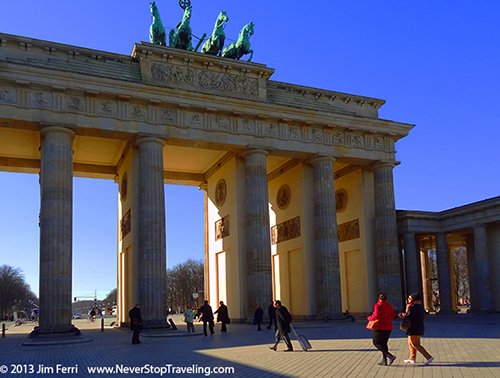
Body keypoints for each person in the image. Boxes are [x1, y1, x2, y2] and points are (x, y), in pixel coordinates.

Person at [398, 293, 434, 365]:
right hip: (417, 327)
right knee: (410, 342)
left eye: (410, 298)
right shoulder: (419, 307)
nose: (408, 300)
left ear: (414, 300)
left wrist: (405, 312)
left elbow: (410, 317)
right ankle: (412, 358)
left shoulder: (413, 307)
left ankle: (429, 357)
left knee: (415, 344)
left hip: (414, 328)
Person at [367, 293, 396, 366]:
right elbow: (393, 316)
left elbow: (376, 316)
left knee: (376, 342)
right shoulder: (389, 305)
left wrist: (369, 318)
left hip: (380, 327)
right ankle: (384, 360)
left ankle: (390, 356)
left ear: (379, 298)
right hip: (388, 326)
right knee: (384, 343)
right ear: (386, 299)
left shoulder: (378, 305)